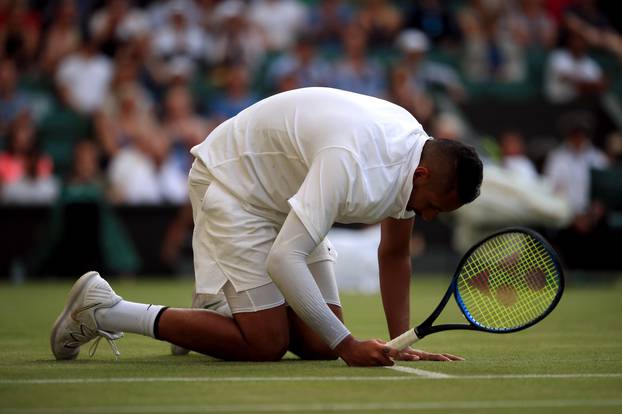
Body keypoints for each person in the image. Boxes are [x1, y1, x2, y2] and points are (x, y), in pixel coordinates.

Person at [50, 87, 482, 366]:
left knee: (317, 346)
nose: (428, 217)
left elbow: (394, 253)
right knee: (265, 344)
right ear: (423, 177)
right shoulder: (350, 159)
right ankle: (104, 308)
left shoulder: (414, 155)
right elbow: (283, 259)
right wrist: (348, 345)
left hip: (286, 194)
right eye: (432, 207)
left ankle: (216, 316)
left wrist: (398, 343)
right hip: (234, 185)